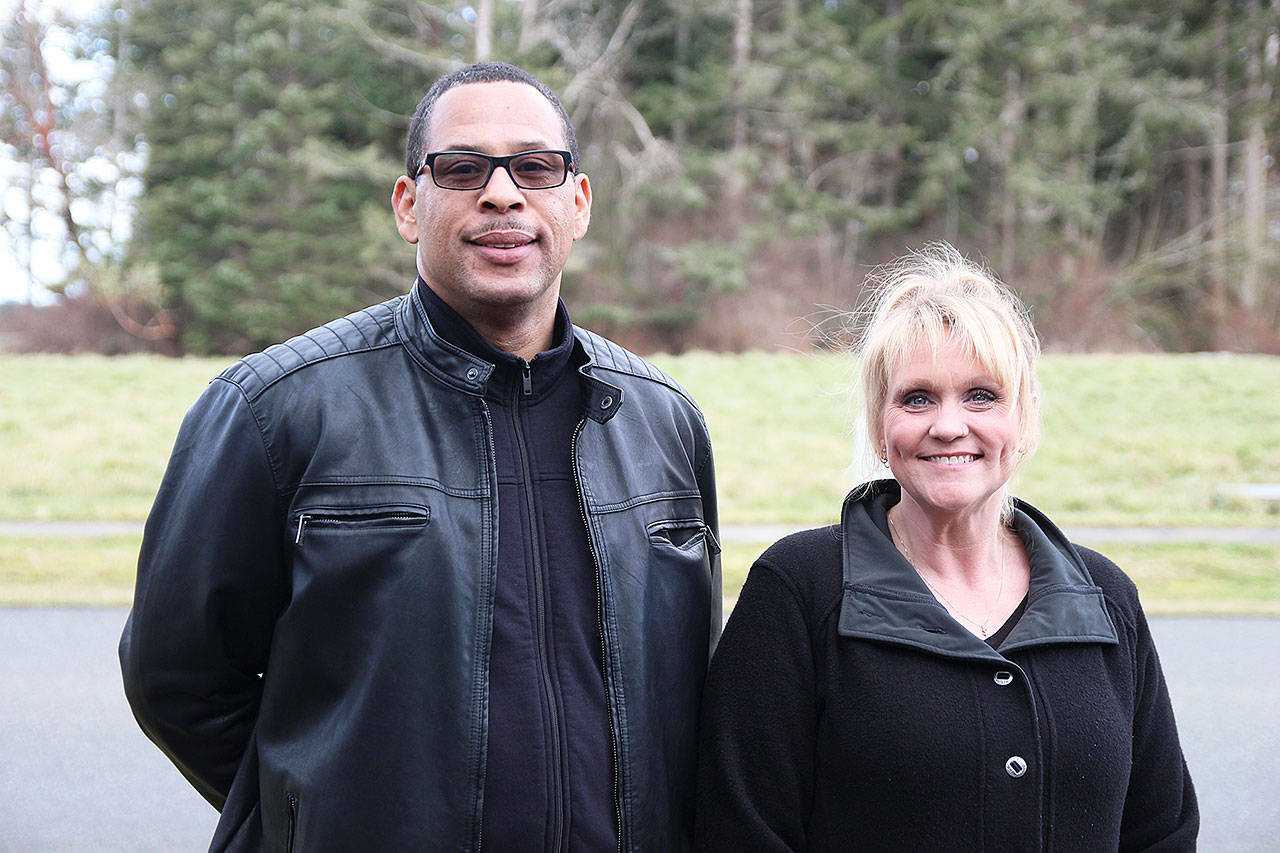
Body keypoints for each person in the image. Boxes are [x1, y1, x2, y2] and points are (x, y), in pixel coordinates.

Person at [120, 62, 721, 851]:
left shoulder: (663, 421)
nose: (502, 194)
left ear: (577, 203)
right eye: (463, 168)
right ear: (409, 205)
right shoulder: (275, 409)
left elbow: (691, 688)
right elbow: (175, 677)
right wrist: (315, 815)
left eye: (535, 167)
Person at [694, 243, 1197, 850]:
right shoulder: (800, 591)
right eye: (917, 398)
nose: (949, 426)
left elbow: (1162, 830)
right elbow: (741, 829)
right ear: (880, 425)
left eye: (982, 395)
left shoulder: (1105, 600)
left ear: (1025, 418)